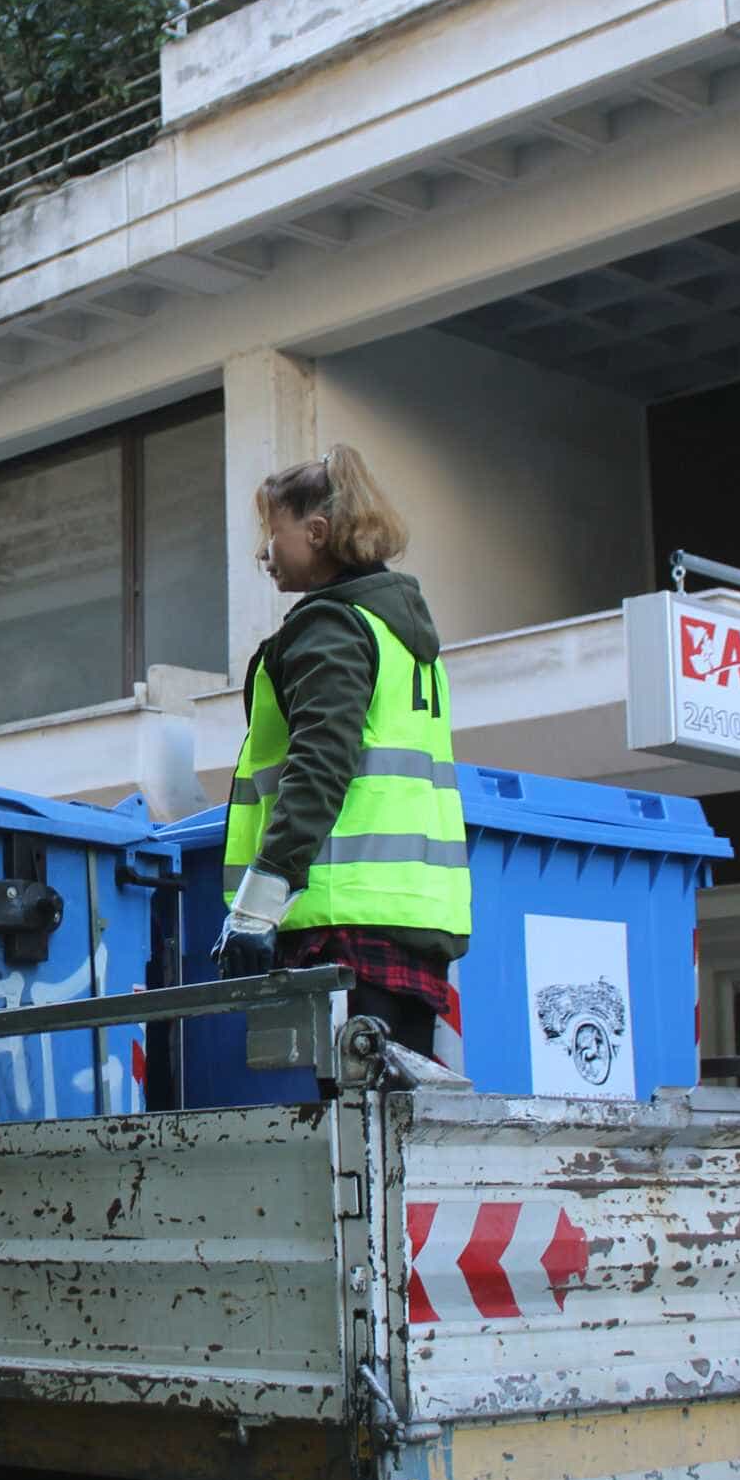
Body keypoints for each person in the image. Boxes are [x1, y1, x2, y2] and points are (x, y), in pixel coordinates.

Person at [217, 447, 473, 1068]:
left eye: (271, 534)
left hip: (343, 920)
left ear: (317, 532)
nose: (263, 553)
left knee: (355, 1133)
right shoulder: (403, 637)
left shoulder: (330, 627)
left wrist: (257, 908)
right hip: (408, 919)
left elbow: (319, 766)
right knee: (394, 1127)